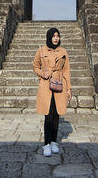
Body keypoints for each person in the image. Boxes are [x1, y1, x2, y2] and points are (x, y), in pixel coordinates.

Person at [33, 28, 72, 157]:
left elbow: (66, 71)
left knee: (56, 115)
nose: (56, 38)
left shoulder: (63, 52)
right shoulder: (41, 50)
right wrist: (42, 74)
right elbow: (35, 66)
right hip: (46, 85)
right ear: (49, 37)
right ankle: (46, 144)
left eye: (57, 36)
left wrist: (69, 89)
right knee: (48, 115)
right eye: (53, 36)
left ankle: (54, 142)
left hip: (60, 84)